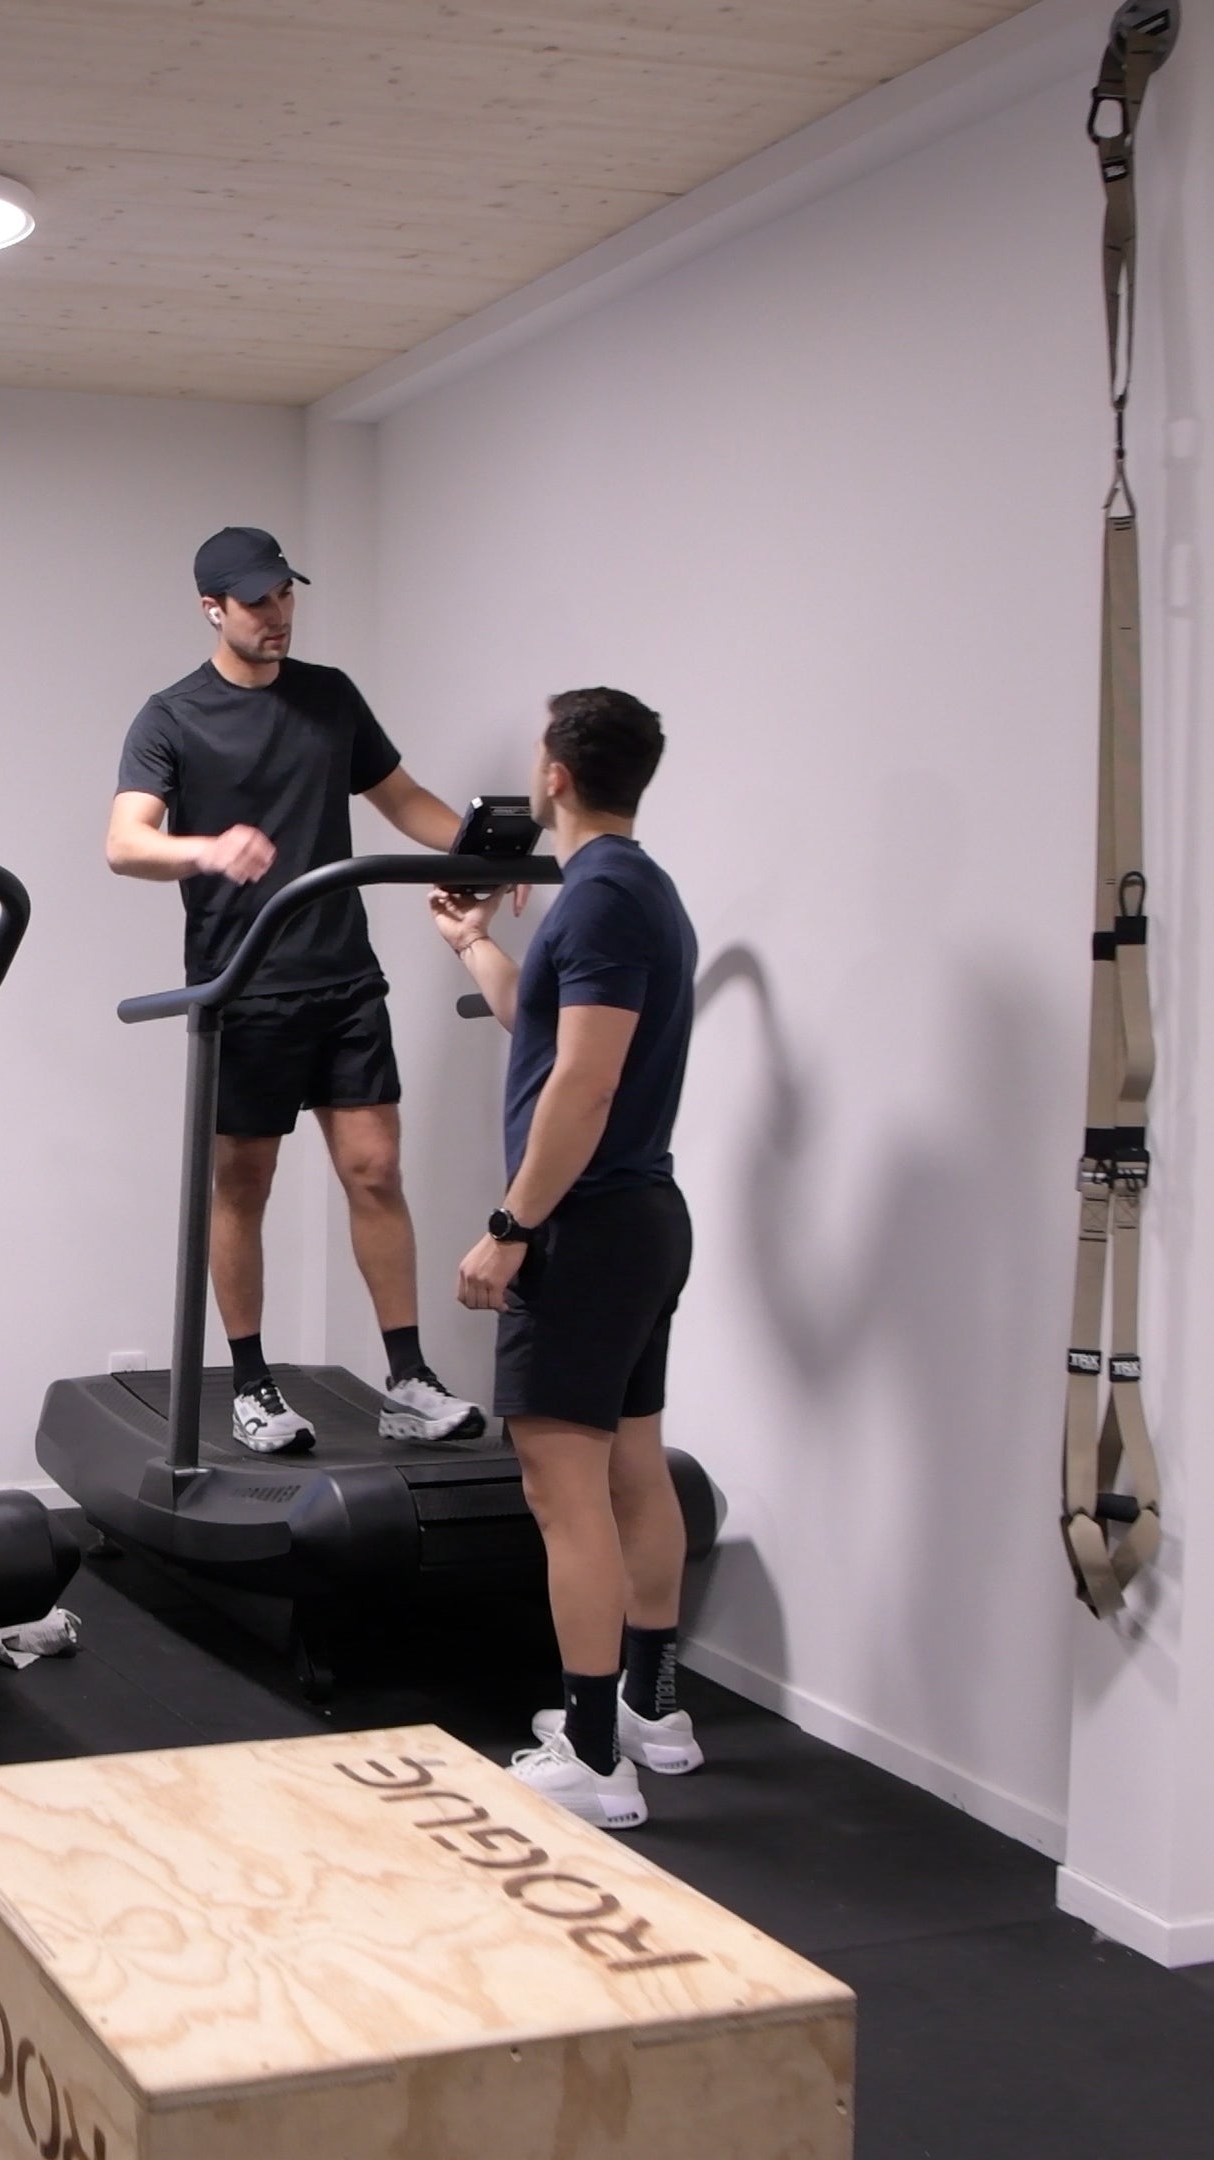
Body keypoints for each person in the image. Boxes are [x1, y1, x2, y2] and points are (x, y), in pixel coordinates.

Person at [107, 526, 487, 1454]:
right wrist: (207, 848)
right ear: (213, 609)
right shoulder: (171, 717)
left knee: (375, 1170)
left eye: (285, 596)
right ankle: (252, 1385)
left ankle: (409, 1378)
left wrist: (484, 852)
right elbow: (125, 842)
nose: (277, 615)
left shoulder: (330, 696)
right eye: (256, 602)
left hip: (343, 975)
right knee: (244, 1183)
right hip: (245, 985)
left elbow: (403, 799)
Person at [431, 685, 697, 1828]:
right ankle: (649, 1708)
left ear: (555, 775)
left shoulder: (597, 901)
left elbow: (582, 1088)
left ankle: (592, 1758)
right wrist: (475, 945)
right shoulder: (638, 891)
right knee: (634, 1464)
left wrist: (511, 1227)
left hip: (585, 1228)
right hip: (640, 1218)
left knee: (563, 1489)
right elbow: (547, 1036)